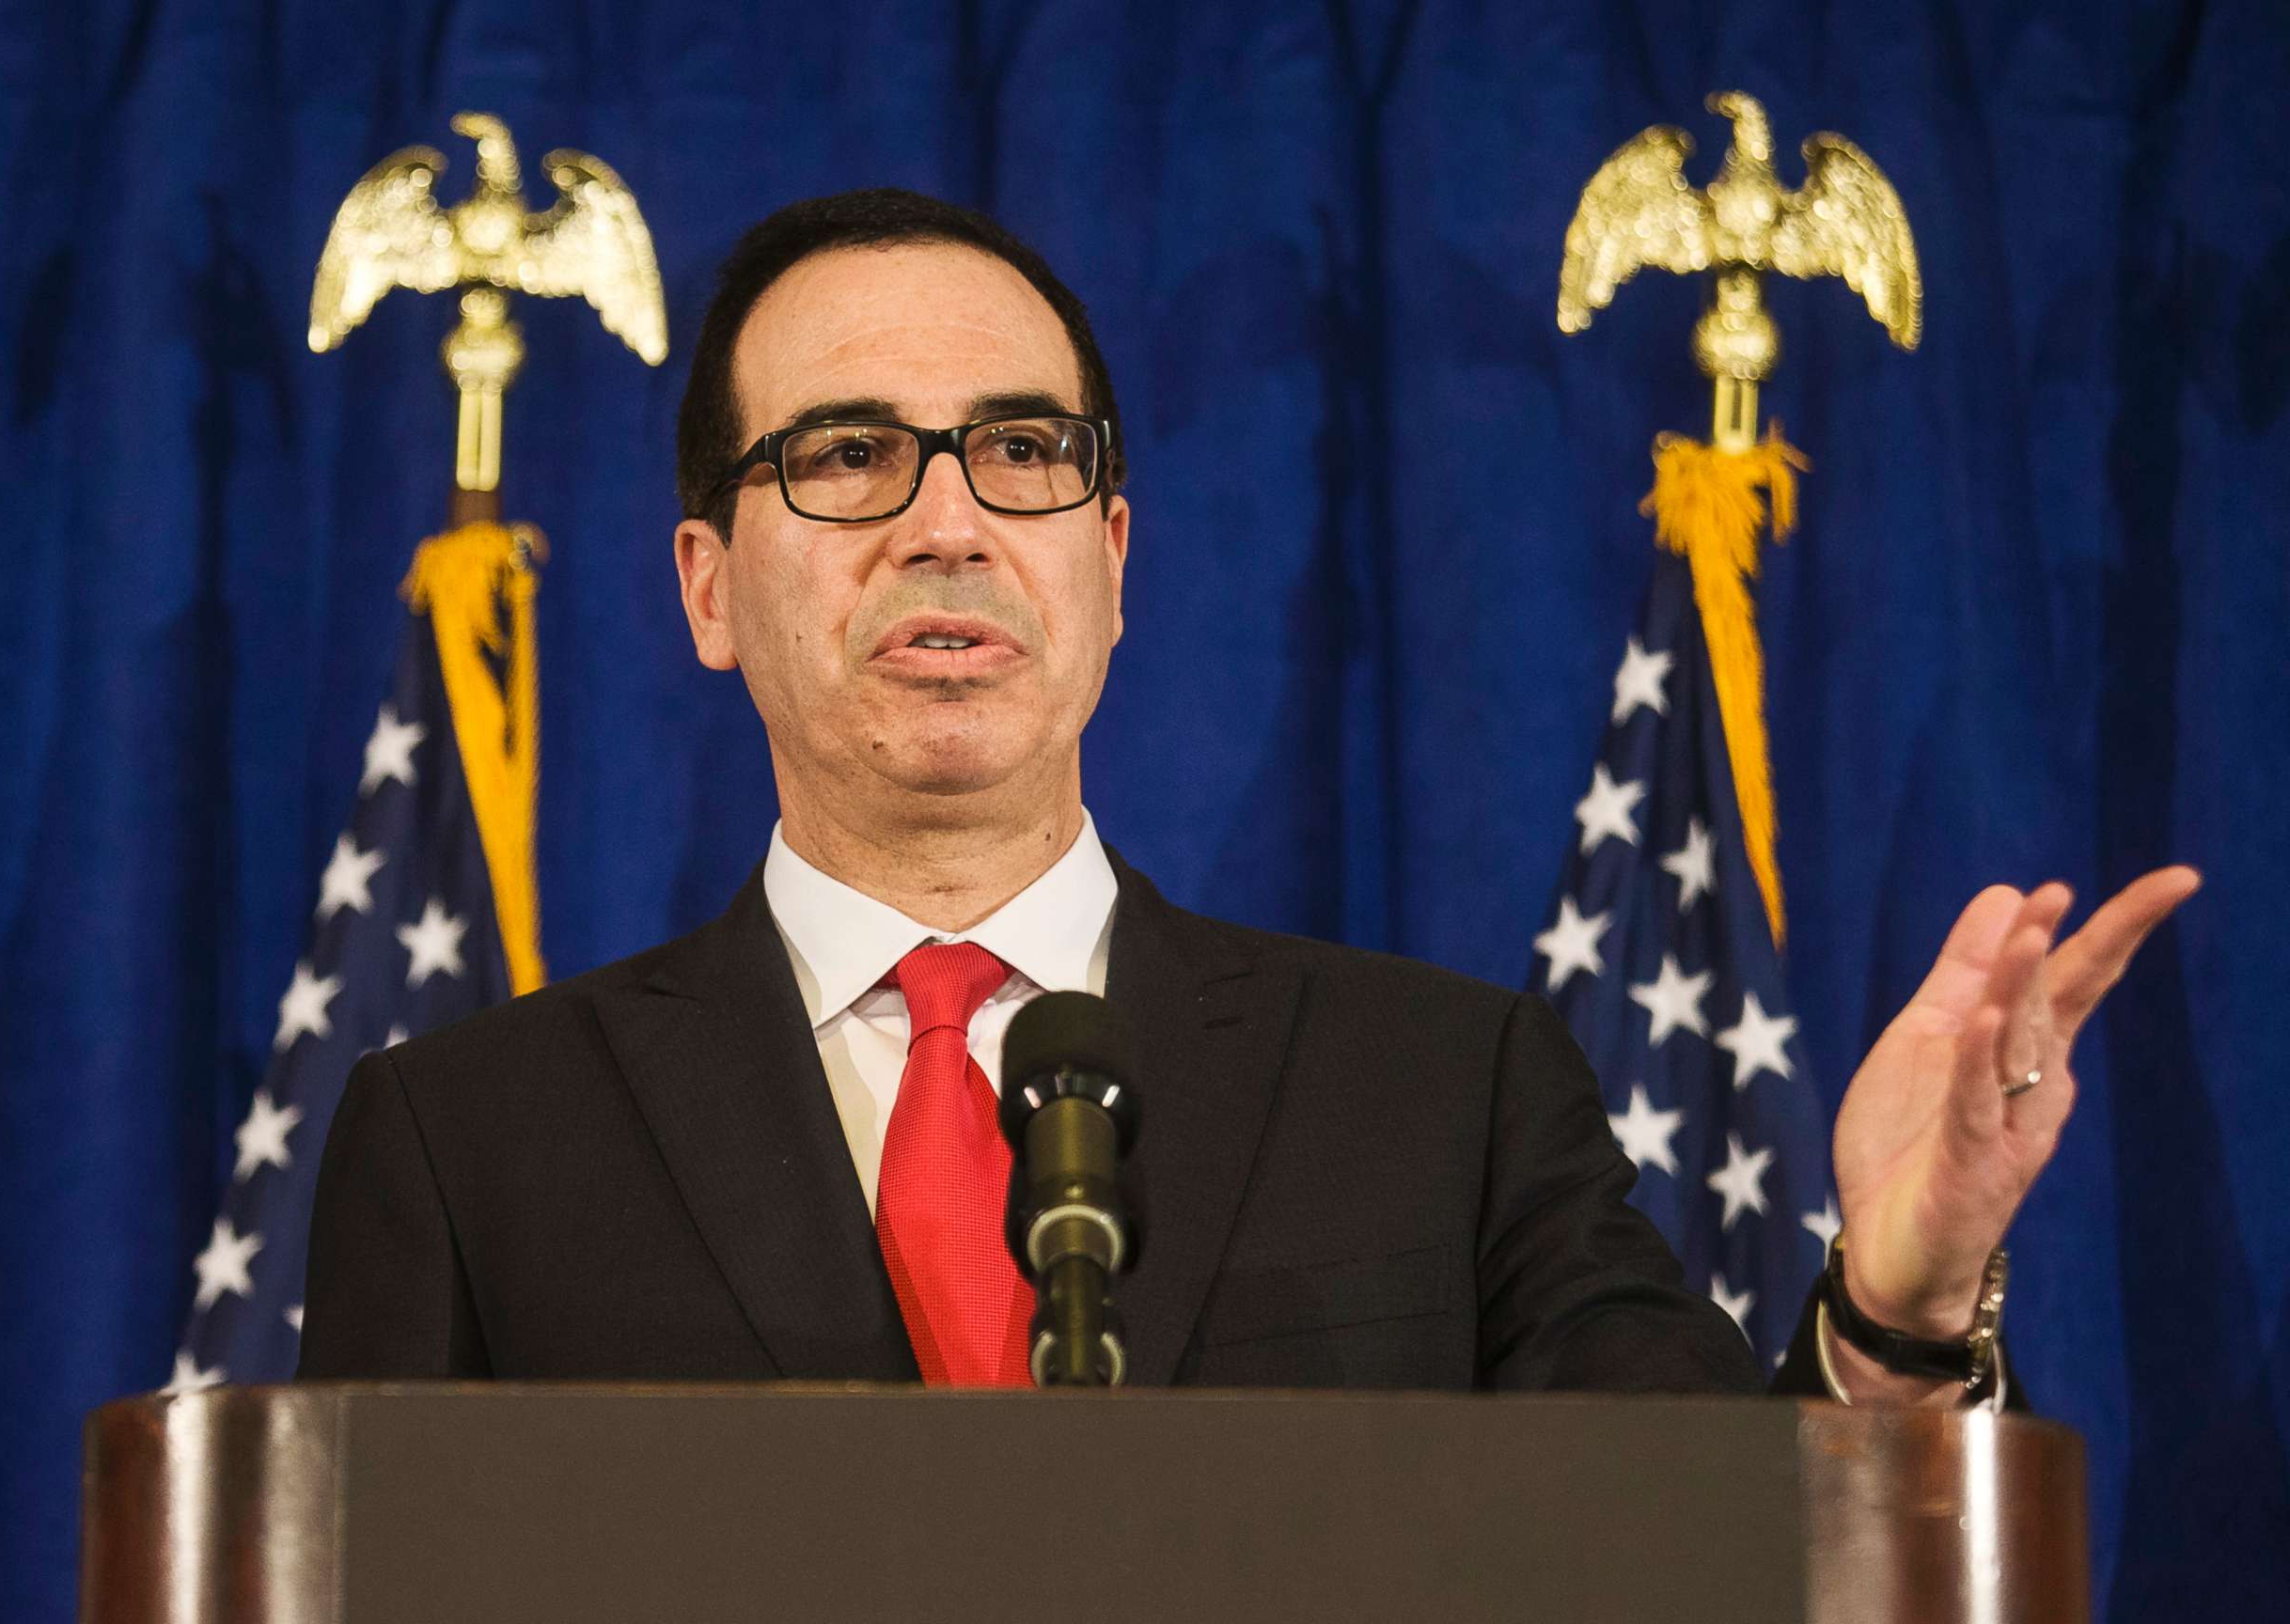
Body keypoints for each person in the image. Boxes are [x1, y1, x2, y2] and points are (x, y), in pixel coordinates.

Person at [297, 188, 2197, 1400]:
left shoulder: (1443, 1100)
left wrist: (1897, 1304)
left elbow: (1726, 1566)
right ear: (708, 585)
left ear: (1112, 562)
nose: (948, 523)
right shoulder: (468, 1147)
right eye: (852, 456)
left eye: (1021, 455)